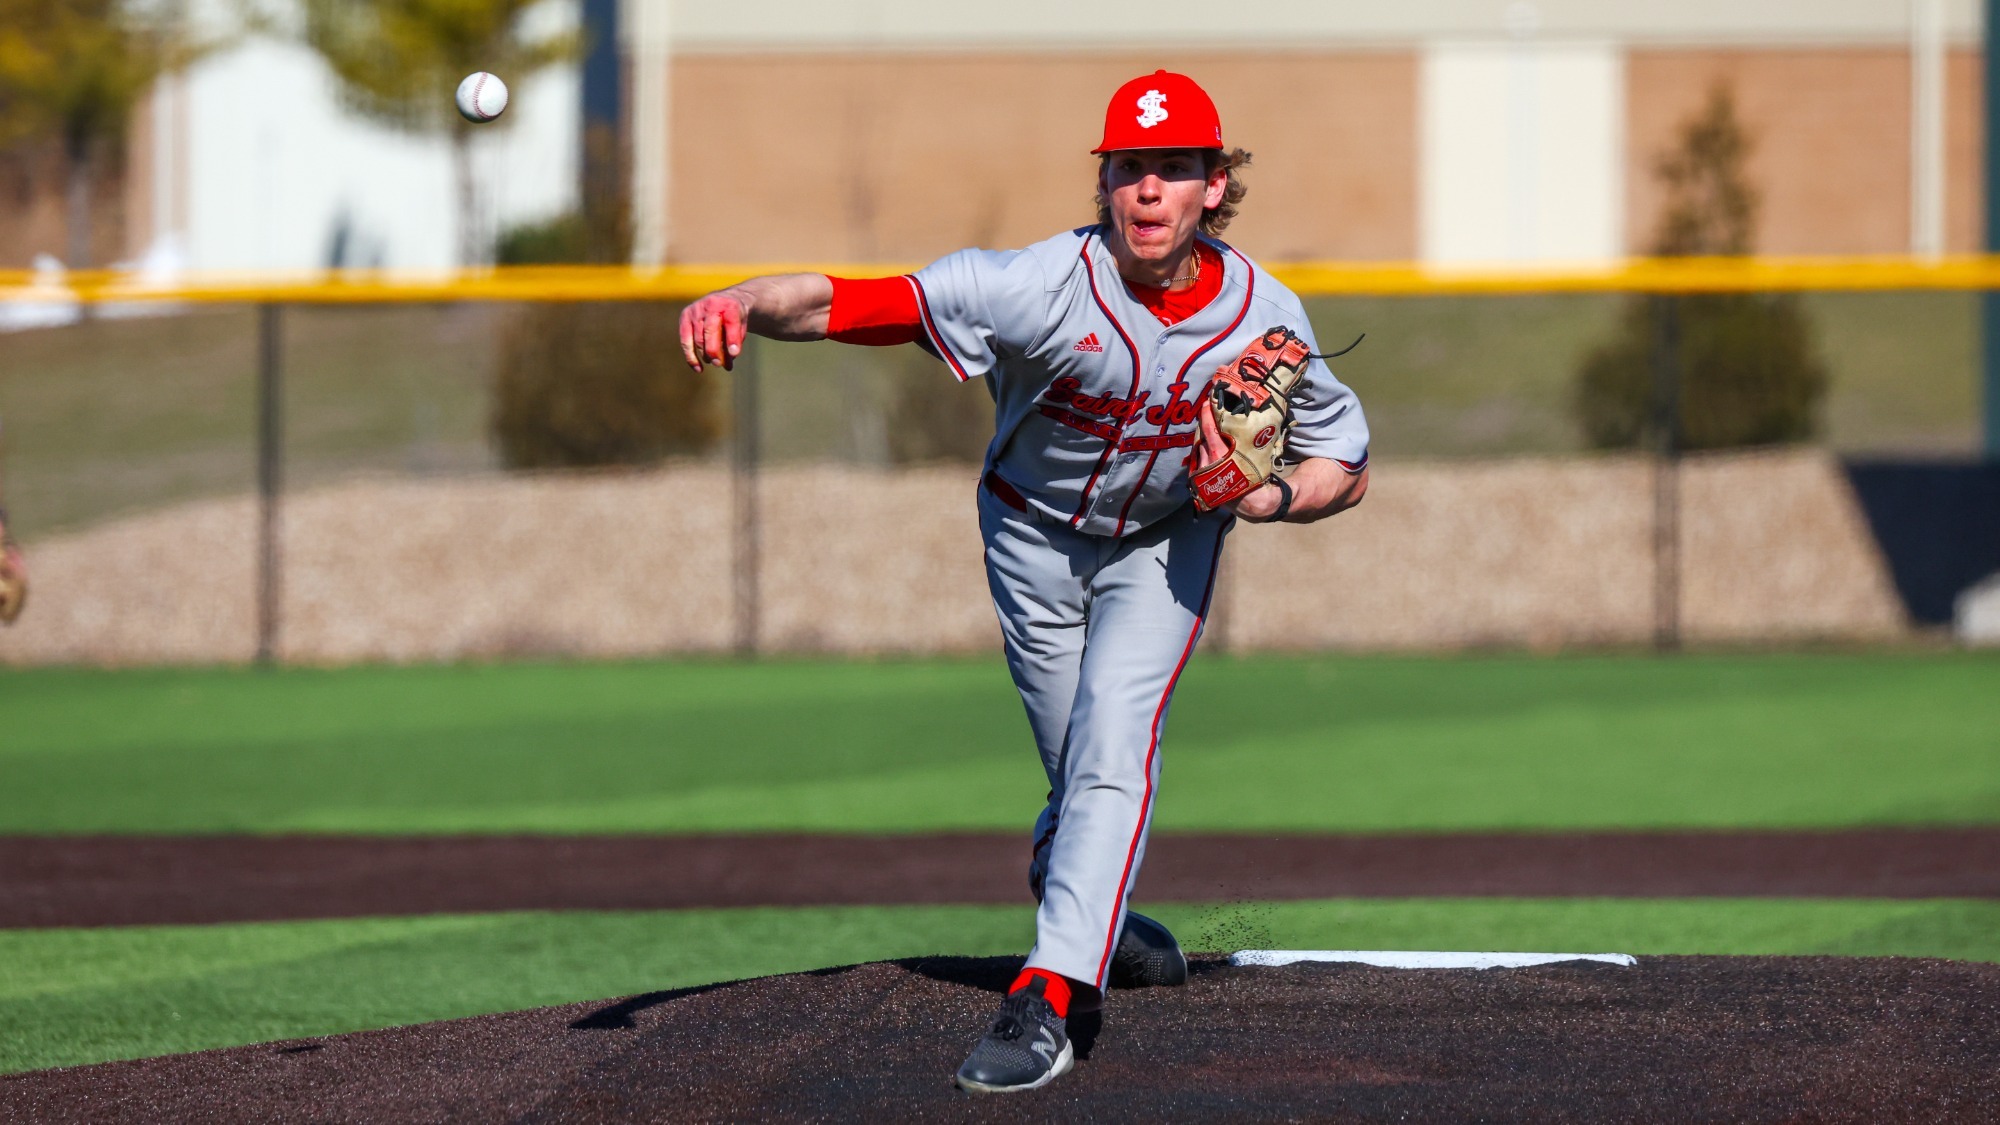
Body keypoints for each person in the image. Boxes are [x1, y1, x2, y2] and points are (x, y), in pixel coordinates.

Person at [678, 70, 1370, 1094]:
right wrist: (743, 300)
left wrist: (1268, 498)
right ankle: (1098, 919)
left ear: (1214, 185)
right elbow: (852, 302)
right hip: (1029, 535)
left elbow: (1344, 462)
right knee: (1075, 771)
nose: (1147, 189)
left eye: (1173, 168)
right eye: (1128, 168)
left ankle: (1050, 995)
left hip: (1166, 542)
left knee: (1113, 745)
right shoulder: (1038, 284)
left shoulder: (1265, 317)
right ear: (1105, 182)